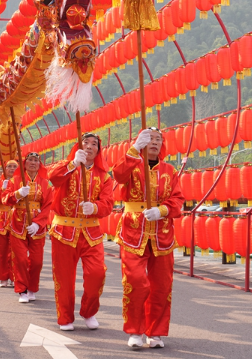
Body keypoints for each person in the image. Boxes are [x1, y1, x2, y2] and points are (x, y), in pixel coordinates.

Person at [111, 128, 184, 349]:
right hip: (133, 230)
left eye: (158, 139)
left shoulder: (170, 170)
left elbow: (178, 199)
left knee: (161, 285)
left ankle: (156, 332)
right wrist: (133, 149)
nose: (154, 142)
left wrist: (162, 210)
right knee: (135, 281)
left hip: (162, 233)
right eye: (149, 139)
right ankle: (134, 330)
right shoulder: (133, 164)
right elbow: (118, 175)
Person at [48, 133, 113, 331]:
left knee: (97, 274)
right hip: (64, 231)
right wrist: (72, 164)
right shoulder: (66, 166)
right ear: (78, 146)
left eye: (95, 144)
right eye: (86, 142)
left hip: (91, 233)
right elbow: (52, 178)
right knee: (64, 278)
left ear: (98, 151)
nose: (90, 146)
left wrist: (94, 208)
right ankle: (65, 317)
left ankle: (89, 311)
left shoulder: (104, 176)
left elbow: (108, 204)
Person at [4, 153, 53, 303]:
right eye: (30, 160)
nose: (33, 163)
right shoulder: (15, 180)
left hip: (37, 225)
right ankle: (22, 290)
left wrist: (38, 223)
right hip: (18, 223)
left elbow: (48, 205)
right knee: (20, 259)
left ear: (40, 164)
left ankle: (32, 287)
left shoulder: (45, 183)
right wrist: (17, 194)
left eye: (36, 160)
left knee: (37, 261)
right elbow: (5, 199)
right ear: (24, 163)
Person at [0, 160, 19, 287]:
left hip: (17, 217)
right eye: (9, 166)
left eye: (15, 166)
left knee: (16, 249)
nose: (12, 169)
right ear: (4, 168)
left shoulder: (21, 182)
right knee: (1, 249)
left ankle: (14, 276)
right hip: (1, 217)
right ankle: (3, 277)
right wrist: (3, 188)